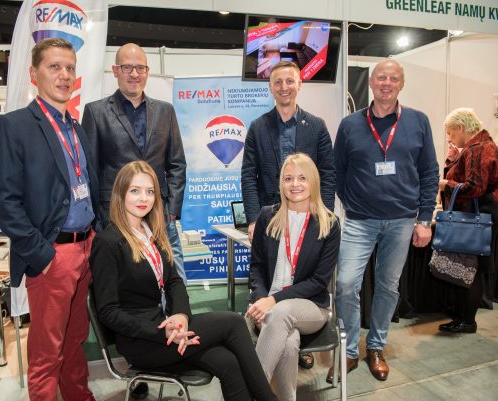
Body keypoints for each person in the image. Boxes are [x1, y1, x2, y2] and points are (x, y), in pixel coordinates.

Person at [91, 160, 278, 401]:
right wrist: (162, 332)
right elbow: (108, 312)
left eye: (150, 191)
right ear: (120, 194)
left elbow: (174, 282)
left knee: (227, 362)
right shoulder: (107, 242)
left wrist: (181, 316)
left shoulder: (151, 232)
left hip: (167, 328)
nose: (144, 198)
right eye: (135, 191)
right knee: (234, 323)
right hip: (142, 342)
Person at [0, 38, 100, 401]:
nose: (64, 75)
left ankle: (79, 396)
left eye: (70, 68)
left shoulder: (75, 127)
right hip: (53, 255)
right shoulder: (15, 126)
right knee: (46, 351)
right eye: (55, 67)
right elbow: (5, 203)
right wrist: (44, 255)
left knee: (75, 339)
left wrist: (95, 238)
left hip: (85, 248)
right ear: (33, 74)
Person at [332, 58, 439, 382]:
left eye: (393, 78)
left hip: (402, 220)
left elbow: (429, 172)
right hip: (359, 221)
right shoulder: (350, 125)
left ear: (401, 84)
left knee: (388, 286)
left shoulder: (418, 121)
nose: (386, 83)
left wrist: (424, 219)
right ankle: (350, 349)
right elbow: (338, 171)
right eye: (381, 77)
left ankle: (376, 347)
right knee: (345, 284)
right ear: (371, 81)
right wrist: (352, 203)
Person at [241, 60, 335, 369]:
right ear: (271, 87)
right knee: (273, 273)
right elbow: (248, 175)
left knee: (302, 271)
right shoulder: (258, 126)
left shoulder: (316, 126)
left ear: (299, 84)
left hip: (308, 214)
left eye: (290, 81)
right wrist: (254, 219)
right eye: (278, 82)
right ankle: (280, 335)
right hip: (272, 217)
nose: (284, 87)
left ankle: (287, 338)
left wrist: (323, 217)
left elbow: (328, 174)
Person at [82, 43, 187, 287]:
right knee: (125, 288)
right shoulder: (96, 112)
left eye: (140, 68)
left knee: (174, 282)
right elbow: (90, 173)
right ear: (115, 71)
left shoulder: (165, 111)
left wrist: (171, 211)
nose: (134, 74)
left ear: (147, 72)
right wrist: (99, 219)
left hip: (159, 217)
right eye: (127, 67)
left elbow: (177, 164)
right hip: (115, 219)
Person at [246, 153, 340, 401]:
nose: (295, 184)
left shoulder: (329, 223)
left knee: (281, 312)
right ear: (281, 183)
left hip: (311, 306)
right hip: (267, 304)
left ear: (313, 182)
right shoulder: (267, 216)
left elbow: (318, 282)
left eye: (302, 178)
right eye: (288, 178)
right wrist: (261, 299)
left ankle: (251, 393)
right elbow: (256, 267)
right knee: (288, 342)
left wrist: (273, 301)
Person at [438, 108, 498, 333]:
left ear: (461, 128)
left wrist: (446, 185)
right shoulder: (480, 147)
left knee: (470, 270)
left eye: (451, 132)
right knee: (469, 269)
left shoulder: (478, 148)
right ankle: (464, 318)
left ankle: (467, 321)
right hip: (477, 217)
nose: (449, 137)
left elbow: (474, 187)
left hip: (475, 218)